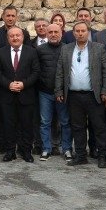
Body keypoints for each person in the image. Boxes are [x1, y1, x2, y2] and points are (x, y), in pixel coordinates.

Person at [55, 21, 106, 167]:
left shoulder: (99, 48)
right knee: (77, 127)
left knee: (98, 126)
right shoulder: (66, 49)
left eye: (83, 31)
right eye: (77, 31)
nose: (80, 33)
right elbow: (60, 72)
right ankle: (80, 155)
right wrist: (59, 90)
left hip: (94, 95)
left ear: (88, 32)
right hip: (73, 95)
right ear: (73, 33)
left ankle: (103, 155)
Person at [0, 27, 40, 163]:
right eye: (12, 36)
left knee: (26, 125)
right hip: (7, 95)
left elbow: (36, 72)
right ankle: (10, 151)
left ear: (22, 37)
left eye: (17, 35)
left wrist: (23, 84)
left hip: (26, 94)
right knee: (8, 124)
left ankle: (26, 151)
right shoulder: (1, 52)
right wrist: (8, 84)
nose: (15, 38)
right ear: (8, 38)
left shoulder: (31, 52)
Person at [35, 23, 68, 160]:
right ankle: (46, 149)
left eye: (56, 32)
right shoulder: (39, 49)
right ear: (46, 34)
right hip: (45, 92)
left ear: (61, 33)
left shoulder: (67, 49)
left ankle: (66, 149)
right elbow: (36, 70)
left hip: (63, 93)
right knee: (45, 122)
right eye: (50, 32)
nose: (53, 34)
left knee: (65, 122)